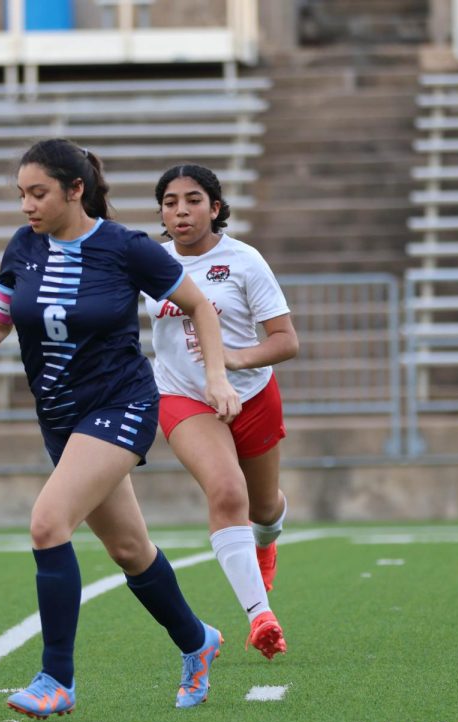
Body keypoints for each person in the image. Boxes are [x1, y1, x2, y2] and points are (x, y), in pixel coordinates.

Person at [0, 140, 241, 718]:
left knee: (48, 525)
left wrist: (216, 378)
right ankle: (198, 641)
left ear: (75, 190)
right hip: (61, 417)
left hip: (121, 404)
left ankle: (56, 679)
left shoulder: (126, 248)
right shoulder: (24, 246)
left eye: (38, 192)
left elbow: (201, 306)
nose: (27, 205)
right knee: (129, 549)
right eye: (21, 194)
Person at [146, 164, 299, 660]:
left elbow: (285, 341)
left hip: (251, 395)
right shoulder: (149, 262)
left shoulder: (244, 261)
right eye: (170, 202)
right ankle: (261, 617)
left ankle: (267, 539)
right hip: (183, 397)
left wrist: (234, 359)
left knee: (264, 508)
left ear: (215, 208)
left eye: (193, 200)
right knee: (225, 489)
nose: (181, 211)